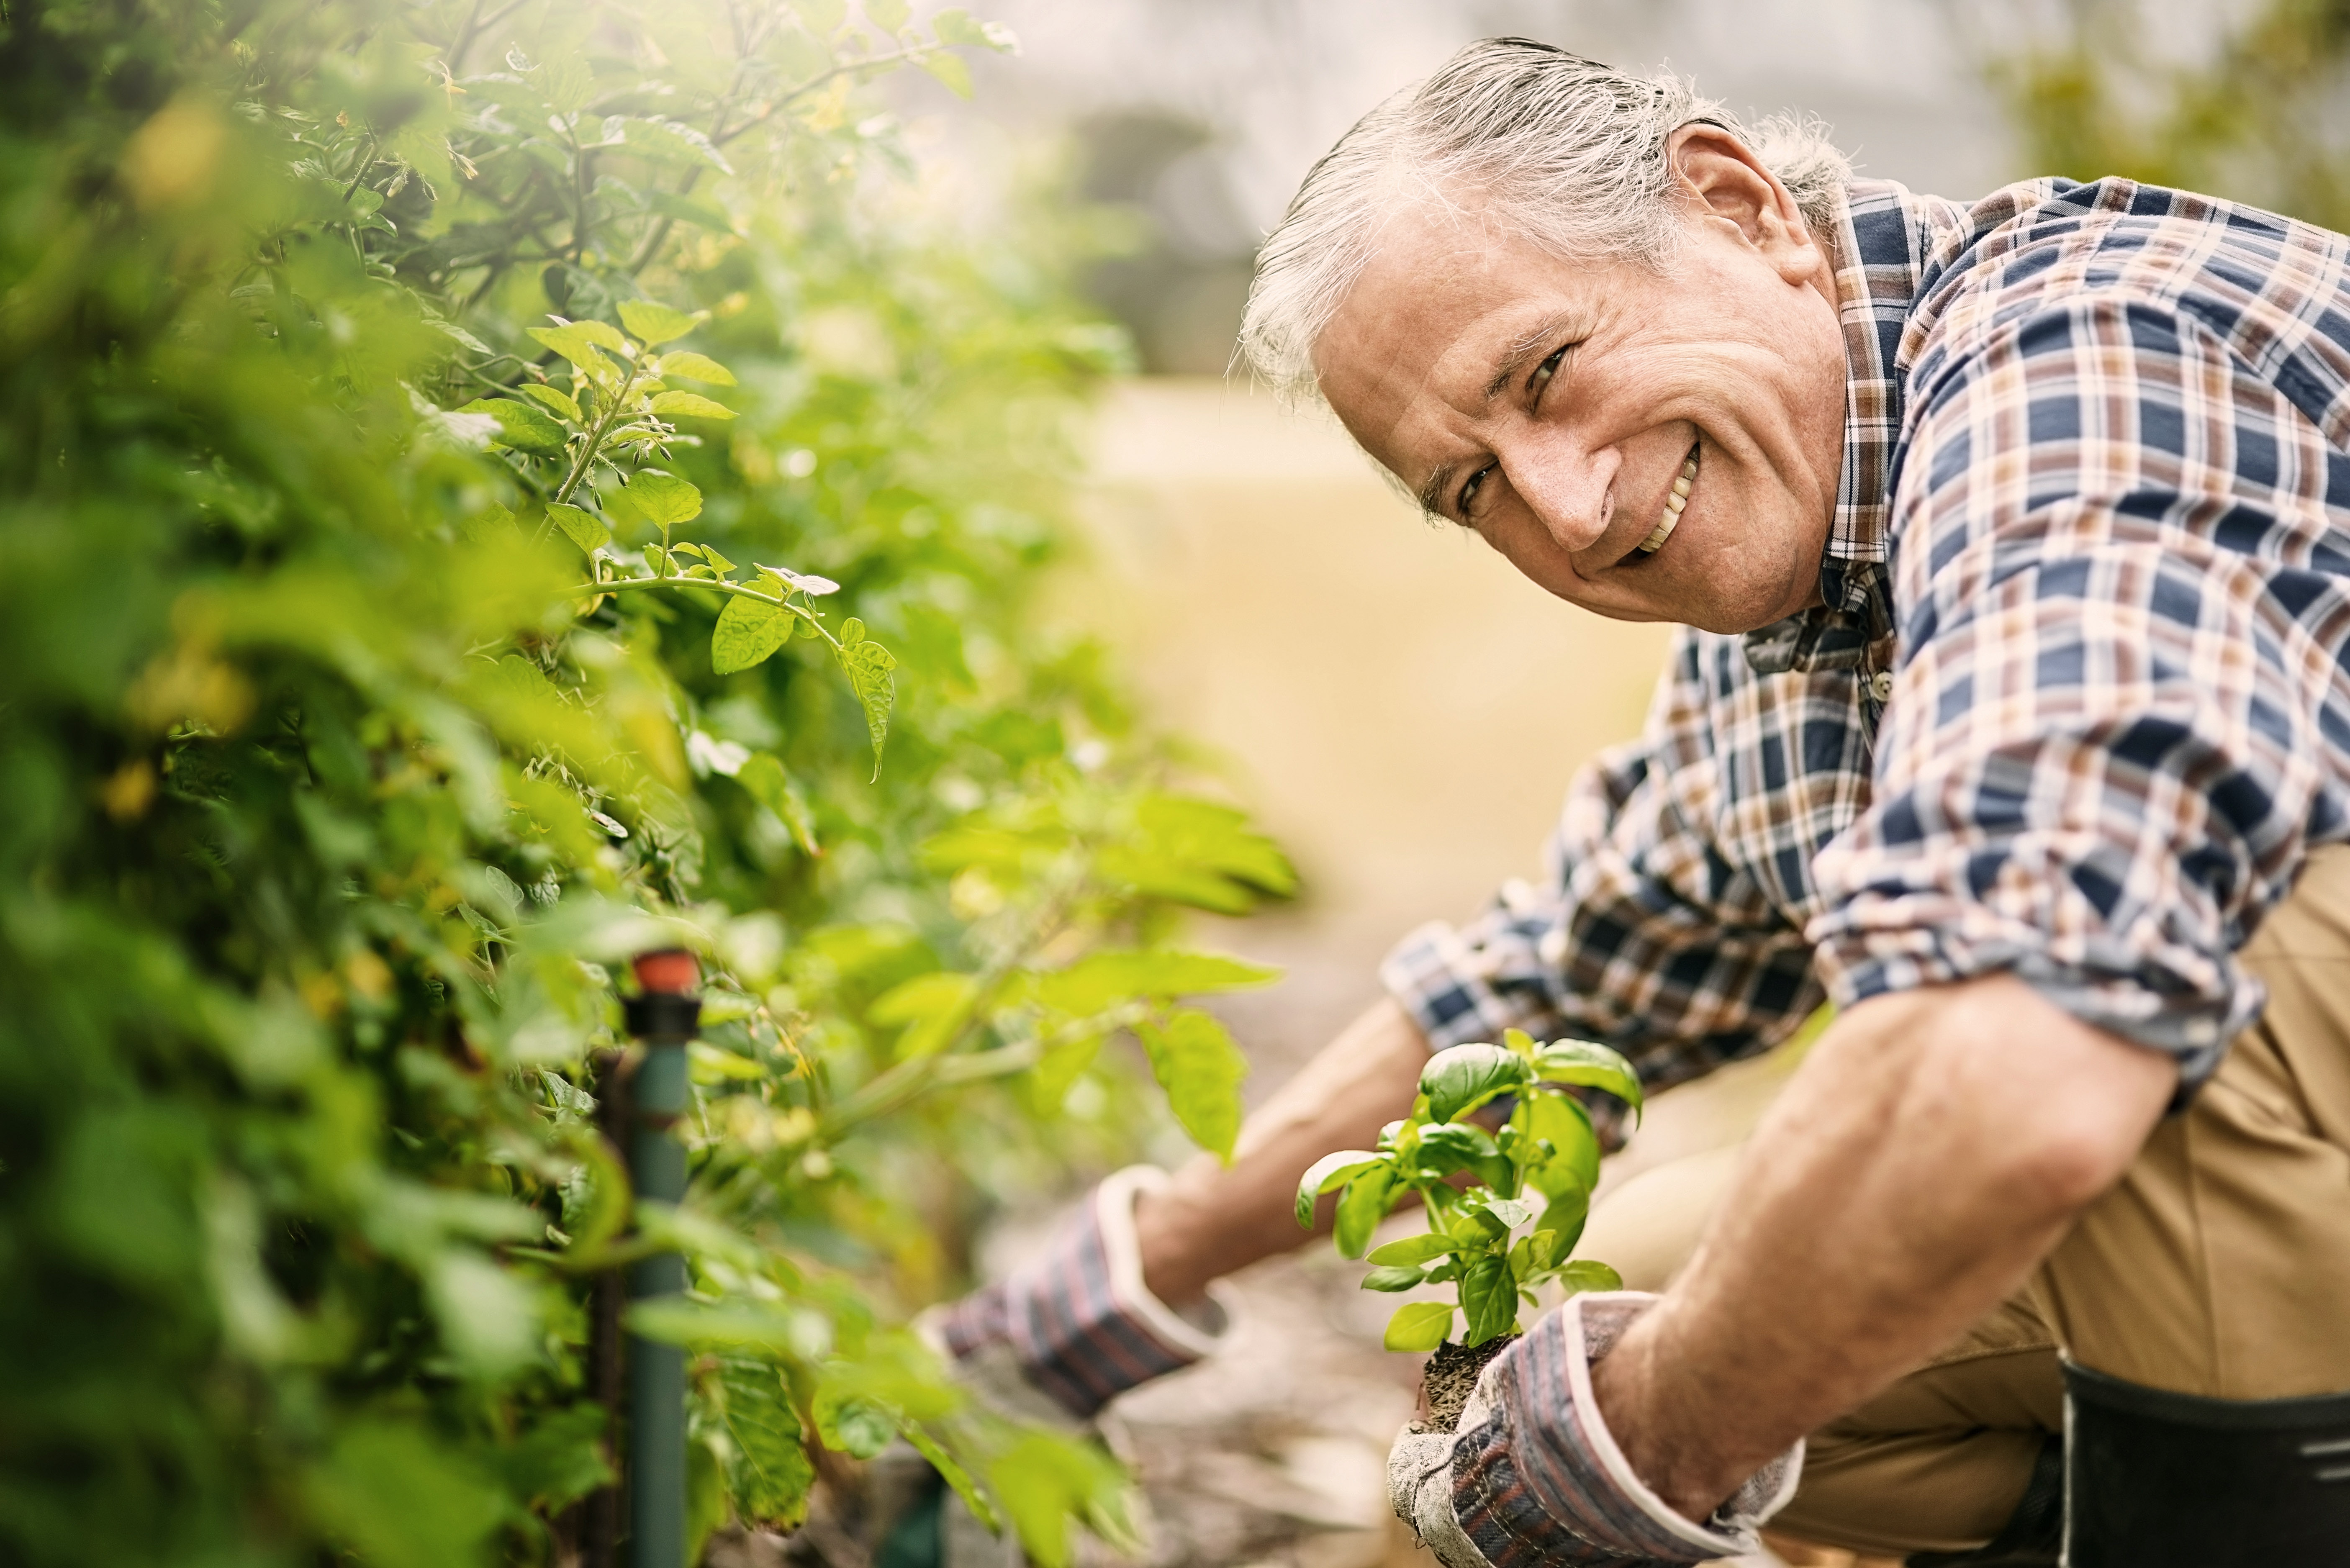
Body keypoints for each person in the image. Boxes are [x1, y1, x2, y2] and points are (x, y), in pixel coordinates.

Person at [934, 37, 2350, 1567]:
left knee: (2150, 980)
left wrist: (1647, 1443)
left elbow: (2017, 1049)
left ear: (1741, 208)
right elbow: (1562, 977)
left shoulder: (2087, 366)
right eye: (1475, 490)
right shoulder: (1812, 558)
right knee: (1604, 1305)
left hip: (2210, 1117)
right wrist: (1097, 1299)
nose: (1569, 511)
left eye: (1545, 374)